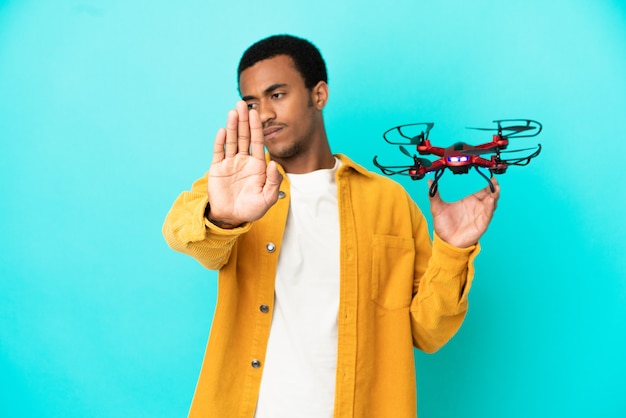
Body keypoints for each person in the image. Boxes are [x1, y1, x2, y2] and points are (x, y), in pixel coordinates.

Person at [162, 34, 500, 418]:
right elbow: (182, 234)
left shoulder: (388, 201)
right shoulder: (237, 189)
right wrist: (224, 217)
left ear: (318, 94)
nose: (264, 115)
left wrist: (454, 249)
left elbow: (428, 331)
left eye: (277, 95)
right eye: (251, 103)